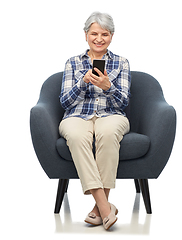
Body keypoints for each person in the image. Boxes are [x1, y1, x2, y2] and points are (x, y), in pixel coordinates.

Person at [59, 12, 131, 230]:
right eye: (94, 34)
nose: (99, 39)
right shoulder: (72, 63)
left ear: (111, 36)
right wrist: (82, 83)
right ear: (86, 35)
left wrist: (109, 86)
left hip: (111, 115)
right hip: (77, 115)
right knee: (77, 135)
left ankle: (98, 209)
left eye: (105, 34)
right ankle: (105, 206)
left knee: (108, 134)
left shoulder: (122, 62)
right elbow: (64, 102)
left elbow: (124, 103)